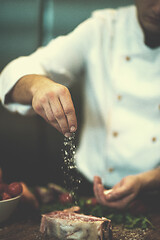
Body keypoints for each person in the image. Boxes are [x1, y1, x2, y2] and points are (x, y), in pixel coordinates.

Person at [0, 0, 160, 210]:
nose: (158, 8)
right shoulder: (105, 28)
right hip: (89, 187)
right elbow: (14, 72)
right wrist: (37, 86)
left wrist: (149, 179)